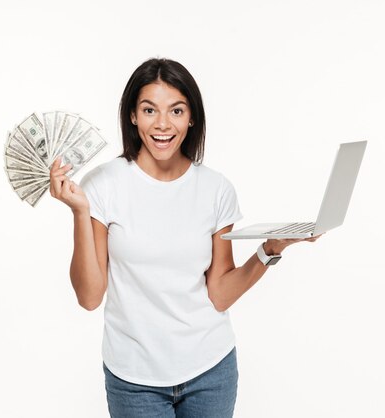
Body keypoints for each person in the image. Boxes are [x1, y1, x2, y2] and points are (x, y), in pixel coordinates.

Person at [49, 57, 322, 418]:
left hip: (210, 370)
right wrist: (79, 212)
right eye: (149, 110)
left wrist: (269, 251)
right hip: (134, 379)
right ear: (132, 115)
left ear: (191, 118)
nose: (163, 124)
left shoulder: (215, 189)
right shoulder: (103, 185)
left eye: (176, 111)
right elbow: (89, 297)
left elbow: (220, 294)